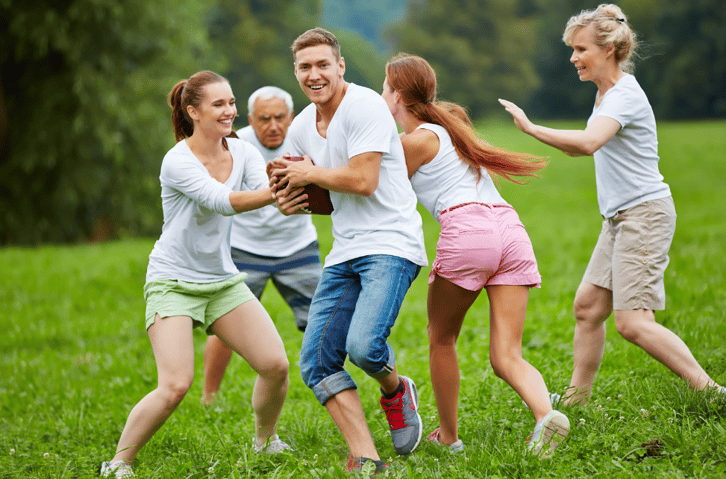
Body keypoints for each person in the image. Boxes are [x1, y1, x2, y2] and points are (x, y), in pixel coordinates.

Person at [499, 4, 725, 406]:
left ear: (608, 50)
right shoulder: (605, 95)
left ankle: (711, 392)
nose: (573, 58)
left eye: (581, 49)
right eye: (572, 49)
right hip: (619, 218)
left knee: (634, 323)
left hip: (644, 215)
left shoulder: (624, 95)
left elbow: (587, 144)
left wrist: (531, 129)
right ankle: (576, 399)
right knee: (587, 308)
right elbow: (583, 148)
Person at [100, 71, 291, 478]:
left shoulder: (243, 152)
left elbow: (264, 194)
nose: (230, 112)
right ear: (193, 111)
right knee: (175, 386)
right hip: (173, 282)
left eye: (232, 103)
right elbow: (224, 202)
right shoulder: (178, 161)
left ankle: (266, 441)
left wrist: (299, 186)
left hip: (220, 280)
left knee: (275, 365)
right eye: (219, 104)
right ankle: (117, 464)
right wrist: (280, 190)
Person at [382, 53, 569, 457]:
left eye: (385, 86)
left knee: (441, 339)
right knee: (507, 355)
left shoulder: (413, 141)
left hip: (469, 233)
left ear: (395, 94)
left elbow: (365, 179)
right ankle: (545, 416)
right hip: (511, 231)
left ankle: (448, 438)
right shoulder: (453, 130)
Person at [270, 28, 429, 473]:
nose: (314, 74)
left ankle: (396, 390)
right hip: (345, 250)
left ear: (340, 66)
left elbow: (363, 181)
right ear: (296, 72)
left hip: (391, 243)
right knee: (316, 363)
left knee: (363, 347)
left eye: (323, 64)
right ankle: (367, 457)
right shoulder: (302, 125)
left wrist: (309, 173)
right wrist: (291, 197)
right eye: (305, 67)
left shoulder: (365, 107)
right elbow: (324, 197)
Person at [201, 86, 322, 405]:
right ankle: (209, 397)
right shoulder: (233, 145)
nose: (273, 126)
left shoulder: (306, 138)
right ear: (251, 121)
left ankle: (326, 384)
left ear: (291, 117)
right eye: (264, 119)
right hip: (244, 248)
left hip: (298, 247)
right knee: (225, 324)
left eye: (280, 117)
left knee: (324, 319)